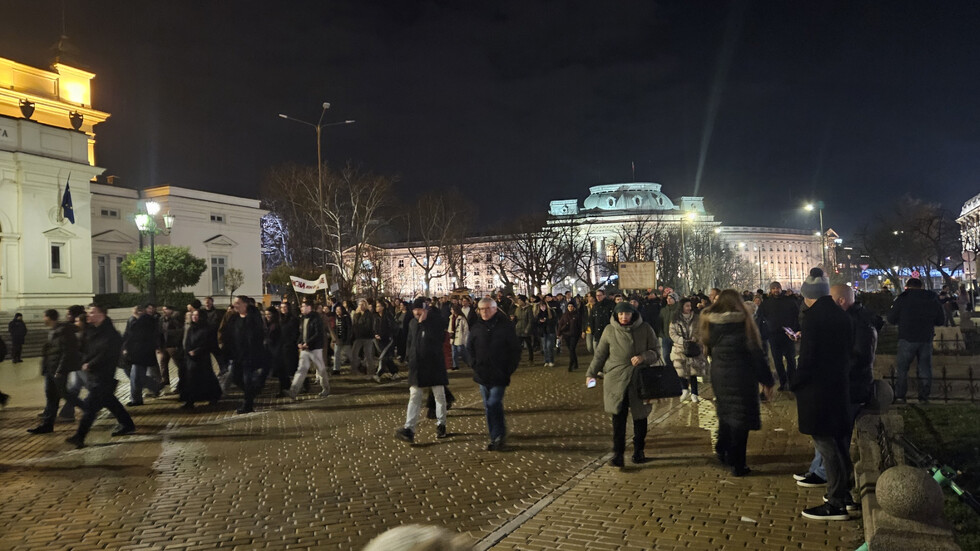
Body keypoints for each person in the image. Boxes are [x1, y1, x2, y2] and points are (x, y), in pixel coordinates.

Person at [795, 284, 878, 503]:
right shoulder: (846, 320)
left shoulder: (858, 322)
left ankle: (839, 493)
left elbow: (859, 357)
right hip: (842, 387)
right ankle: (835, 485)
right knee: (832, 440)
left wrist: (831, 369)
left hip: (851, 388)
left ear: (840, 301)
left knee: (835, 441)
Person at [792, 268, 855, 521]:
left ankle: (837, 501)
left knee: (827, 446)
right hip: (838, 387)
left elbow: (807, 360)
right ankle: (845, 496)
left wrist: (794, 382)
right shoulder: (841, 316)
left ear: (809, 296)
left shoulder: (814, 318)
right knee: (838, 444)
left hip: (818, 392)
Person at [699, 290, 775, 476]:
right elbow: (756, 354)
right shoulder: (743, 323)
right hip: (742, 377)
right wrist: (767, 380)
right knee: (740, 419)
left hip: (719, 375)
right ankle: (737, 463)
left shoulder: (709, 322)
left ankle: (722, 448)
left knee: (726, 412)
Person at [586, 302, 662, 468]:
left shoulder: (645, 329)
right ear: (616, 315)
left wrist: (643, 357)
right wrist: (591, 374)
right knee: (618, 419)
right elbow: (600, 355)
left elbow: (656, 351)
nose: (624, 317)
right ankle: (618, 454)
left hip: (639, 381)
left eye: (627, 314)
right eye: (620, 314)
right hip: (616, 381)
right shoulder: (609, 330)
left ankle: (639, 450)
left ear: (633, 314)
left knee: (640, 418)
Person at [66, 304, 136, 448]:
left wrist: (90, 363)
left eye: (92, 312)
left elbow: (106, 354)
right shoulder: (89, 331)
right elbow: (82, 348)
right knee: (110, 401)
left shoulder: (111, 334)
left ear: (101, 315)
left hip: (103, 375)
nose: (88, 315)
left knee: (90, 406)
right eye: (88, 312)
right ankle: (128, 424)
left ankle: (79, 436)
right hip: (92, 375)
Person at [467, 297, 521, 451]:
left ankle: (498, 435)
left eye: (488, 308)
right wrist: (474, 363)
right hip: (482, 373)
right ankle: (496, 435)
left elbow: (515, 350)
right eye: (481, 309)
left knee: (493, 403)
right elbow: (469, 347)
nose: (484, 312)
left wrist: (509, 368)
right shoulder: (476, 327)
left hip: (500, 373)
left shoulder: (505, 327)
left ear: (495, 309)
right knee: (489, 406)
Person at [395, 298, 450, 443]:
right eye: (414, 310)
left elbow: (438, 340)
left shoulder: (436, 321)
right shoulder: (413, 323)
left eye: (419, 309)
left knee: (439, 395)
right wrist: (408, 357)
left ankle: (441, 424)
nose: (417, 312)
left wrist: (424, 324)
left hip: (434, 364)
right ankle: (409, 429)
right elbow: (411, 341)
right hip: (417, 365)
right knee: (414, 396)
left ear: (425, 309)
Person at [887, 277, 945, 404]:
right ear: (922, 286)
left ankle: (901, 395)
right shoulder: (932, 298)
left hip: (907, 337)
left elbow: (891, 318)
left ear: (907, 286)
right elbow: (941, 319)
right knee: (925, 367)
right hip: (926, 338)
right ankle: (924, 396)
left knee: (902, 369)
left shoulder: (903, 298)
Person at [27, 309, 84, 434]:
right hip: (50, 369)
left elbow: (67, 352)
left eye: (44, 317)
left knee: (65, 394)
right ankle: (47, 425)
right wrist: (45, 368)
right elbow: (49, 352)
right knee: (51, 397)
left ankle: (88, 409)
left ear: (49, 318)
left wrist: (60, 370)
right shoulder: (53, 331)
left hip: (58, 370)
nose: (43, 319)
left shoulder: (63, 331)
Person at [759, 281, 801, 390]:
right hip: (773, 335)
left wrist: (795, 330)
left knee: (791, 360)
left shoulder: (789, 301)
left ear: (780, 288)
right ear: (770, 290)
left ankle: (792, 381)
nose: (776, 290)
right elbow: (761, 318)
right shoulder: (766, 303)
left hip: (788, 334)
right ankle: (783, 382)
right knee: (777, 361)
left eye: (777, 288)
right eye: (773, 288)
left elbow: (796, 316)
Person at [231, 295, 268, 414]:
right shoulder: (235, 318)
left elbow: (257, 336)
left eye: (237, 303)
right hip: (238, 355)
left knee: (247, 380)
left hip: (250, 355)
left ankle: (248, 405)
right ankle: (252, 391)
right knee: (235, 377)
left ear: (245, 304)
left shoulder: (253, 318)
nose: (235, 305)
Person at [180, 308, 223, 409]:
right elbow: (187, 341)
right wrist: (188, 351)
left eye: (197, 315)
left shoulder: (208, 329)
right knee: (190, 379)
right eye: (193, 315)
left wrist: (197, 351)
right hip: (190, 358)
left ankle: (213, 396)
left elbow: (209, 343)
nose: (194, 317)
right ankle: (190, 400)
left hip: (202, 358)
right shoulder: (191, 328)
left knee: (206, 378)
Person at [289, 300, 330, 399]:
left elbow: (318, 333)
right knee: (301, 369)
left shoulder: (316, 318)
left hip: (315, 348)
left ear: (309, 307)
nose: (301, 308)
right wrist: (299, 342)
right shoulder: (303, 318)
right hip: (305, 349)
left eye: (303, 306)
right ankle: (293, 391)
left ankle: (326, 388)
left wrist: (308, 342)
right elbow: (301, 332)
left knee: (320, 369)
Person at [122, 304, 162, 406]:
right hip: (136, 353)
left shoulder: (146, 321)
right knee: (135, 375)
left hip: (140, 353)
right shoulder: (133, 320)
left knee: (135, 376)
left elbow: (136, 337)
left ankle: (136, 399)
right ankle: (155, 386)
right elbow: (128, 335)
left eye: (136, 311)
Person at [669, 298, 708, 403]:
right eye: (687, 306)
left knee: (693, 371)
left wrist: (695, 338)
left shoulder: (696, 318)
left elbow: (700, 330)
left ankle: (694, 393)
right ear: (681, 307)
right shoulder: (675, 319)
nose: (689, 308)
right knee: (681, 370)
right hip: (680, 348)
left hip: (693, 347)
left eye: (690, 306)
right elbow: (672, 333)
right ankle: (684, 389)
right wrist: (681, 340)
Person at [158, 305, 184, 388]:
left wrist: (168, 332)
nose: (164, 311)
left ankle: (182, 381)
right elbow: (159, 332)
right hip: (164, 345)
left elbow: (180, 331)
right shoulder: (161, 320)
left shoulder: (175, 319)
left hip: (172, 345)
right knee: (163, 363)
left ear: (171, 311)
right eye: (163, 310)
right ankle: (165, 381)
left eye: (166, 309)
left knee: (178, 364)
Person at [350, 299, 377, 376]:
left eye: (363, 304)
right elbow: (354, 325)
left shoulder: (369, 315)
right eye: (360, 304)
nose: (361, 306)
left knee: (368, 355)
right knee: (354, 353)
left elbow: (368, 327)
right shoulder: (357, 314)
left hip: (367, 337)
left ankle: (371, 372)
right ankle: (355, 370)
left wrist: (358, 328)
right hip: (358, 337)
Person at [557, 302, 582, 372]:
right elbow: (560, 324)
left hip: (574, 334)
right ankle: (576, 363)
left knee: (572, 349)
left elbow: (579, 325)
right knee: (571, 350)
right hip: (566, 334)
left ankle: (571, 364)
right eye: (569, 306)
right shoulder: (565, 315)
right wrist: (558, 333)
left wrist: (581, 333)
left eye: (571, 306)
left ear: (574, 307)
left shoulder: (577, 315)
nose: (570, 308)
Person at [513, 295, 536, 365]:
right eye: (518, 301)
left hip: (526, 329)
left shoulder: (529, 309)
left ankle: (531, 359)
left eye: (520, 301)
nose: (519, 302)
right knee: (518, 346)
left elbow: (530, 320)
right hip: (519, 329)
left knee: (529, 346)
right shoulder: (517, 309)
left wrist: (527, 329)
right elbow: (516, 318)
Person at [447, 304, 470, 371]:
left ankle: (468, 361)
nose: (451, 310)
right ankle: (455, 365)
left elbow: (466, 329)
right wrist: (450, 332)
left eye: (452, 309)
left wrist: (464, 337)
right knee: (454, 352)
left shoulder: (461, 318)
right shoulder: (451, 317)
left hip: (459, 336)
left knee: (461, 350)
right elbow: (450, 326)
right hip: (453, 336)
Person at [535, 299, 557, 367]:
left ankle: (551, 360)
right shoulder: (538, 313)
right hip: (543, 332)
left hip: (550, 331)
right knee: (544, 347)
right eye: (541, 306)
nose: (542, 307)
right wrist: (539, 321)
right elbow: (535, 322)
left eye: (543, 306)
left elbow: (554, 321)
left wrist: (546, 320)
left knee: (549, 346)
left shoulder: (551, 312)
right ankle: (546, 360)